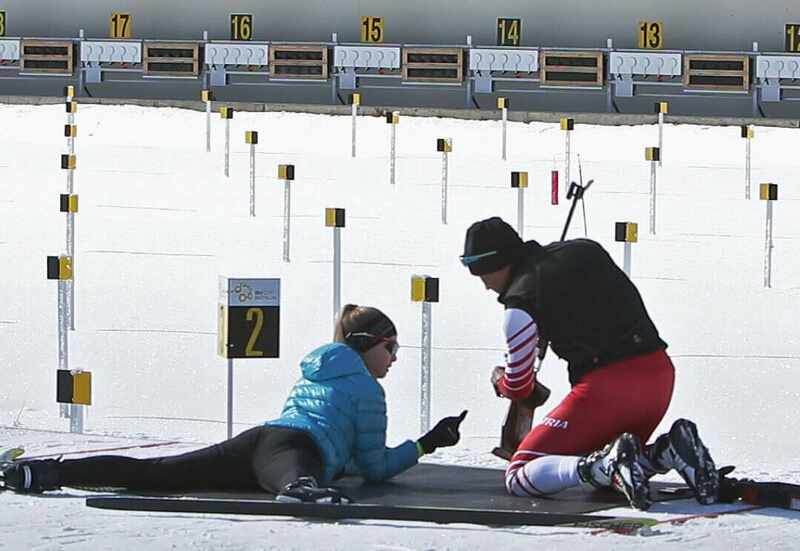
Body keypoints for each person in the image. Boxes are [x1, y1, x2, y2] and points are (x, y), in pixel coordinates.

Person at [1, 304, 467, 503]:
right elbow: (374, 467)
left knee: (158, 472)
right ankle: (301, 488)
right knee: (296, 484)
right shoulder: (368, 388)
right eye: (391, 348)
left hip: (261, 440)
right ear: (369, 345)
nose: (393, 360)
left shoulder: (319, 367)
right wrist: (428, 444)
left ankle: (45, 472)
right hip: (295, 452)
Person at [460, 216, 717, 511]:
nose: (484, 285)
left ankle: (604, 467)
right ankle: (665, 452)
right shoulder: (584, 249)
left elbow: (519, 387)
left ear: (494, 264)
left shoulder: (519, 307)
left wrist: (500, 379)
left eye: (480, 274)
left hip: (606, 391)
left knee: (520, 474)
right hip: (659, 376)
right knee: (612, 457)